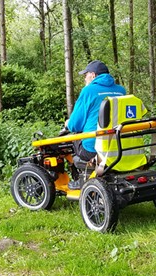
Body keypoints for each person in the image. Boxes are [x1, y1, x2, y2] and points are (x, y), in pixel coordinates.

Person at [63, 60, 126, 189]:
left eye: (85, 75)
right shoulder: (121, 90)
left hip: (94, 148)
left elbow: (75, 125)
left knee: (71, 142)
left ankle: (80, 176)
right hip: (119, 145)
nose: (84, 78)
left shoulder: (88, 91)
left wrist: (68, 123)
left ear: (92, 75)